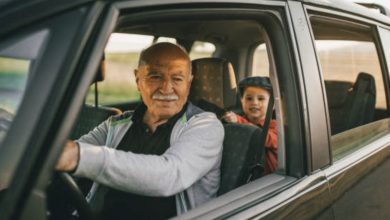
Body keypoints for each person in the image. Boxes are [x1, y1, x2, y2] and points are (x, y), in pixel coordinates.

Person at [56, 42, 224, 219]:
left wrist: (78, 157)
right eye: (155, 77)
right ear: (138, 80)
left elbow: (169, 177)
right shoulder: (116, 124)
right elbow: (72, 150)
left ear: (189, 84)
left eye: (177, 78)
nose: (166, 88)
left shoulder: (206, 126)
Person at [222, 76, 277, 174]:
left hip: (266, 179)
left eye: (261, 99)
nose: (254, 103)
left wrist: (239, 121)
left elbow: (263, 137)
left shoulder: (275, 126)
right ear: (242, 100)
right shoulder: (235, 121)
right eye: (249, 98)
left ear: (272, 105)